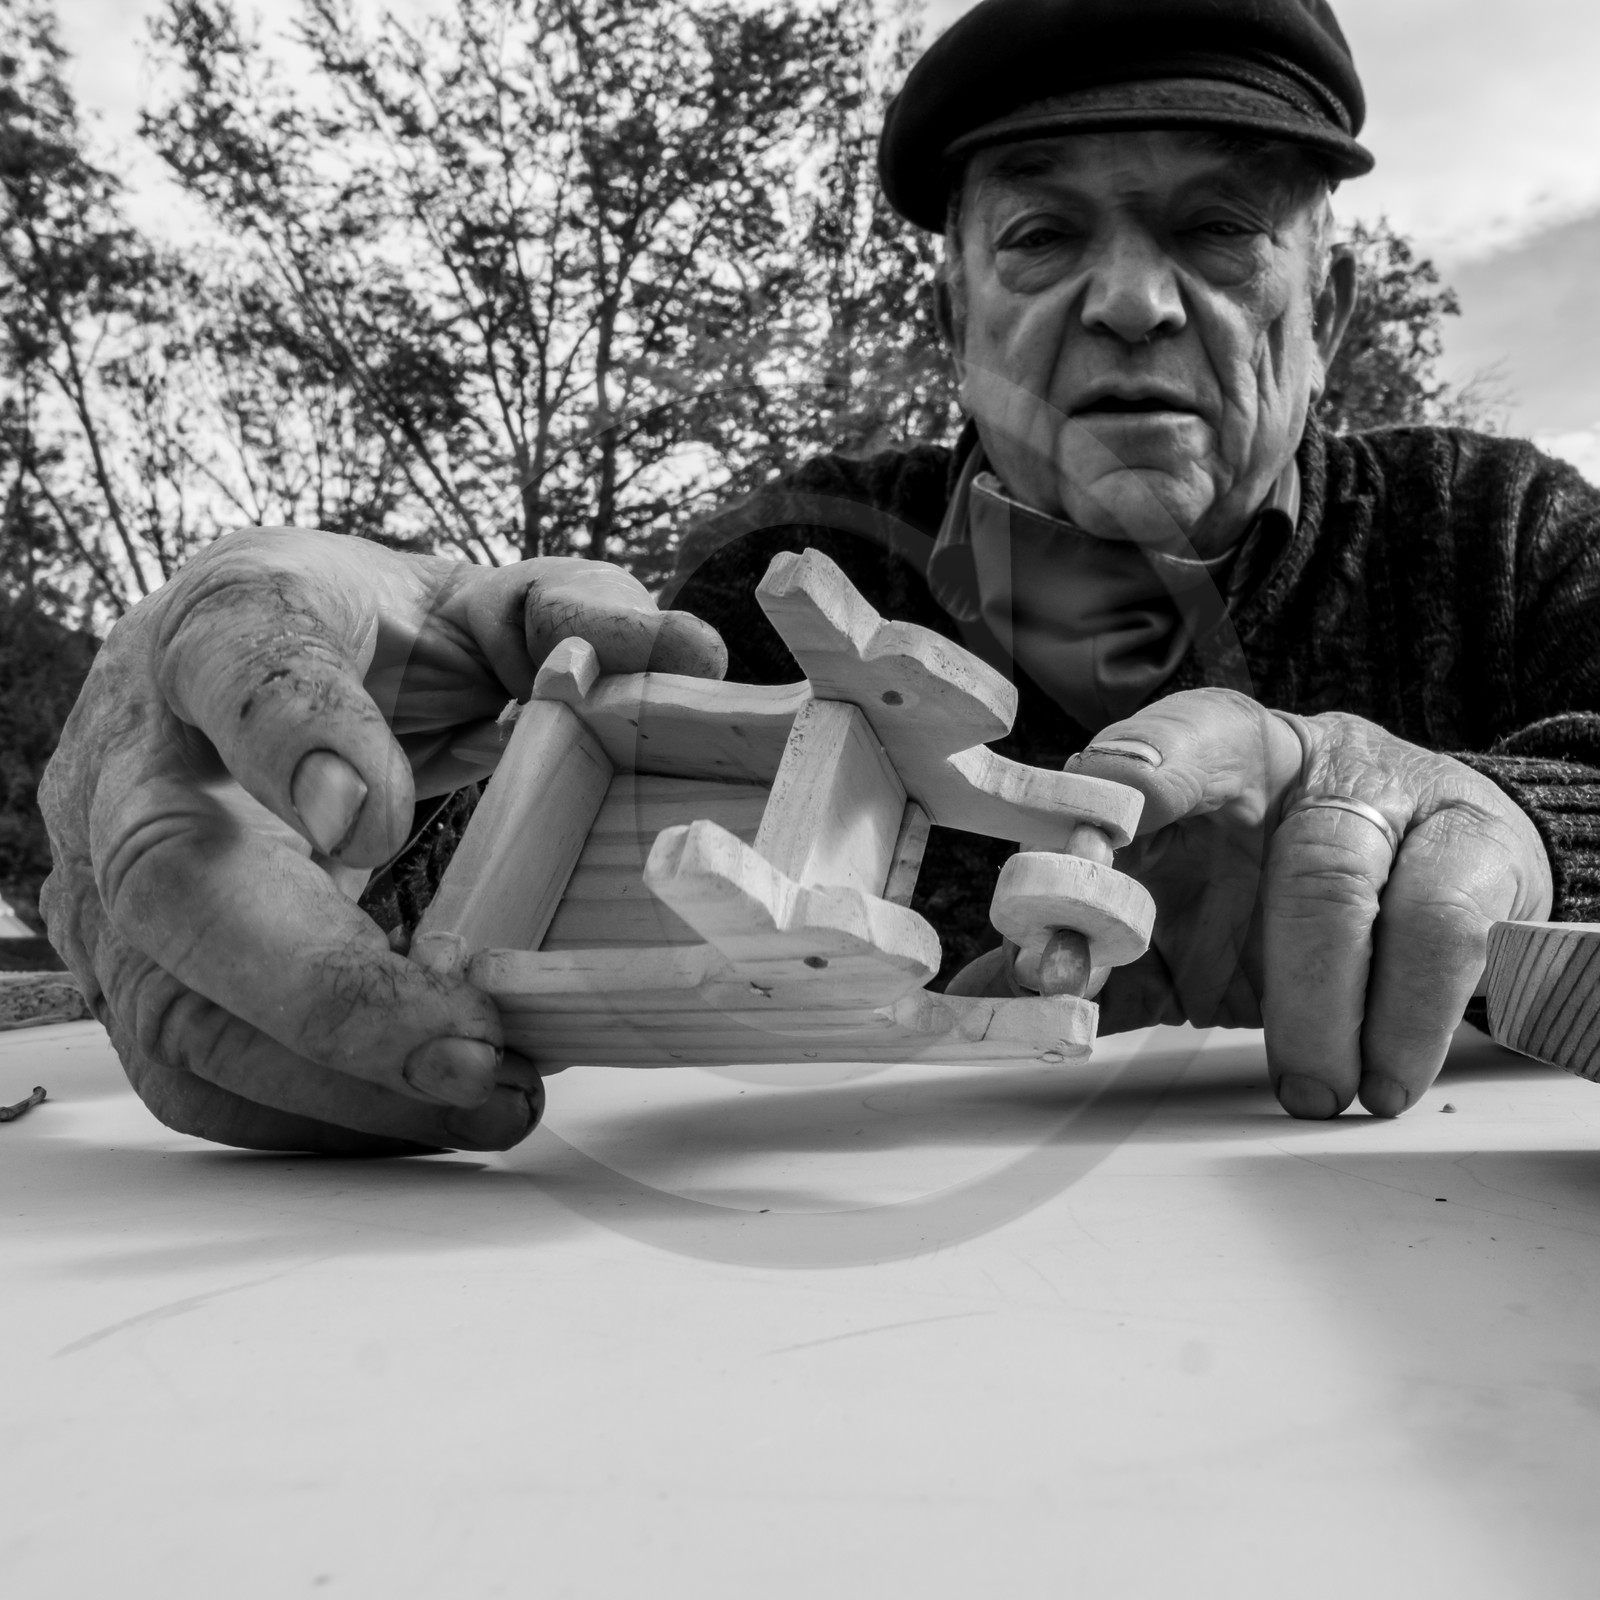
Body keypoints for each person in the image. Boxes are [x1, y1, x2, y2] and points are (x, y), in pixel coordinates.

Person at [39, 0, 1600, 1154]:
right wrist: (299, 830)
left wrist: (1512, 824)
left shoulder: (1501, 532)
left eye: (1219, 228)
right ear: (954, 319)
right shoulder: (806, 566)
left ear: (1321, 296)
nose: (1131, 301)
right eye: (1045, 235)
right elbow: (499, 855)